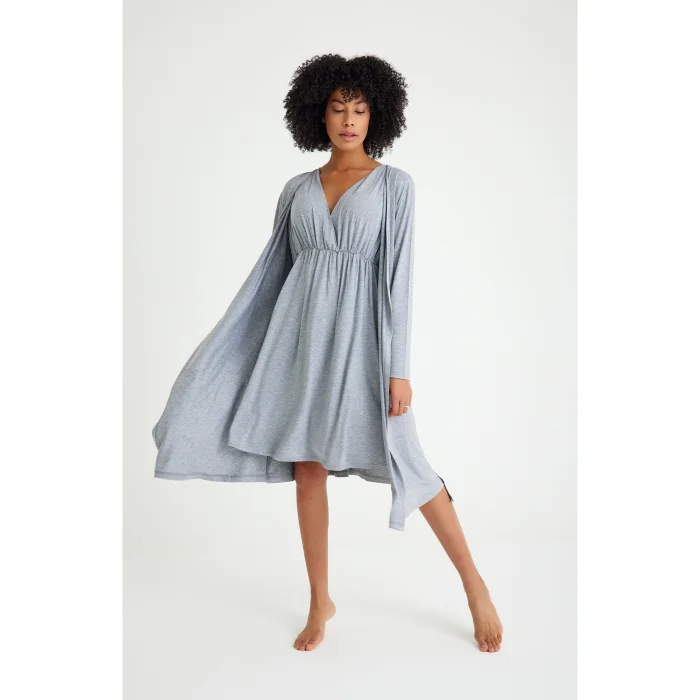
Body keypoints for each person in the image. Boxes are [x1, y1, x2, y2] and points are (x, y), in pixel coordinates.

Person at [152, 53, 503, 653]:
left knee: (409, 462)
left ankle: (475, 586)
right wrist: (234, 351)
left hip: (364, 345)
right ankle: (320, 601)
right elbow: (272, 277)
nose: (348, 120)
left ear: (376, 116)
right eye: (338, 108)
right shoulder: (296, 189)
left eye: (360, 110)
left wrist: (398, 370)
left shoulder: (395, 185)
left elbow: (399, 280)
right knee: (307, 472)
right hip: (300, 344)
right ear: (318, 113)